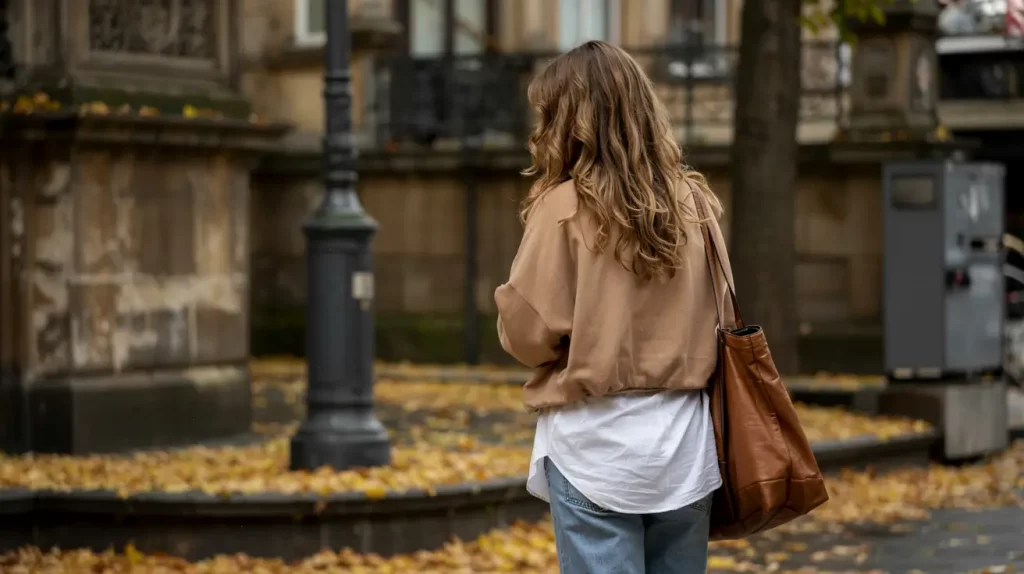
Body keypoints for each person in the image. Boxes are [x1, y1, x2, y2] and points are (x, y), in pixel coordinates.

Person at [494, 40, 734, 573]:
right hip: (684, 446)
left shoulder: (563, 208)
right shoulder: (694, 204)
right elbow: (724, 316)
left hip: (596, 444)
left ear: (569, 121)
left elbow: (527, 334)